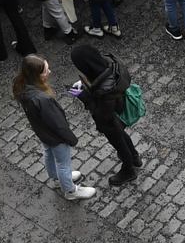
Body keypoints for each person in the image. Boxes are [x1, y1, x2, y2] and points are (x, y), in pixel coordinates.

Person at [15, 53, 96, 201]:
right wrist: (71, 139)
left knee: (49, 153)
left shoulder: (22, 87)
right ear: (36, 75)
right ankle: (70, 191)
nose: (49, 72)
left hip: (43, 132)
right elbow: (58, 125)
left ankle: (56, 178)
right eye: (45, 71)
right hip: (55, 136)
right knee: (63, 164)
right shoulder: (43, 99)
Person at [69, 41, 142, 186]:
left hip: (111, 119)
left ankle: (128, 170)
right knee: (121, 134)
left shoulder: (106, 91)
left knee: (117, 140)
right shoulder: (113, 64)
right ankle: (134, 156)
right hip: (118, 107)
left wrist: (83, 95)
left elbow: (102, 115)